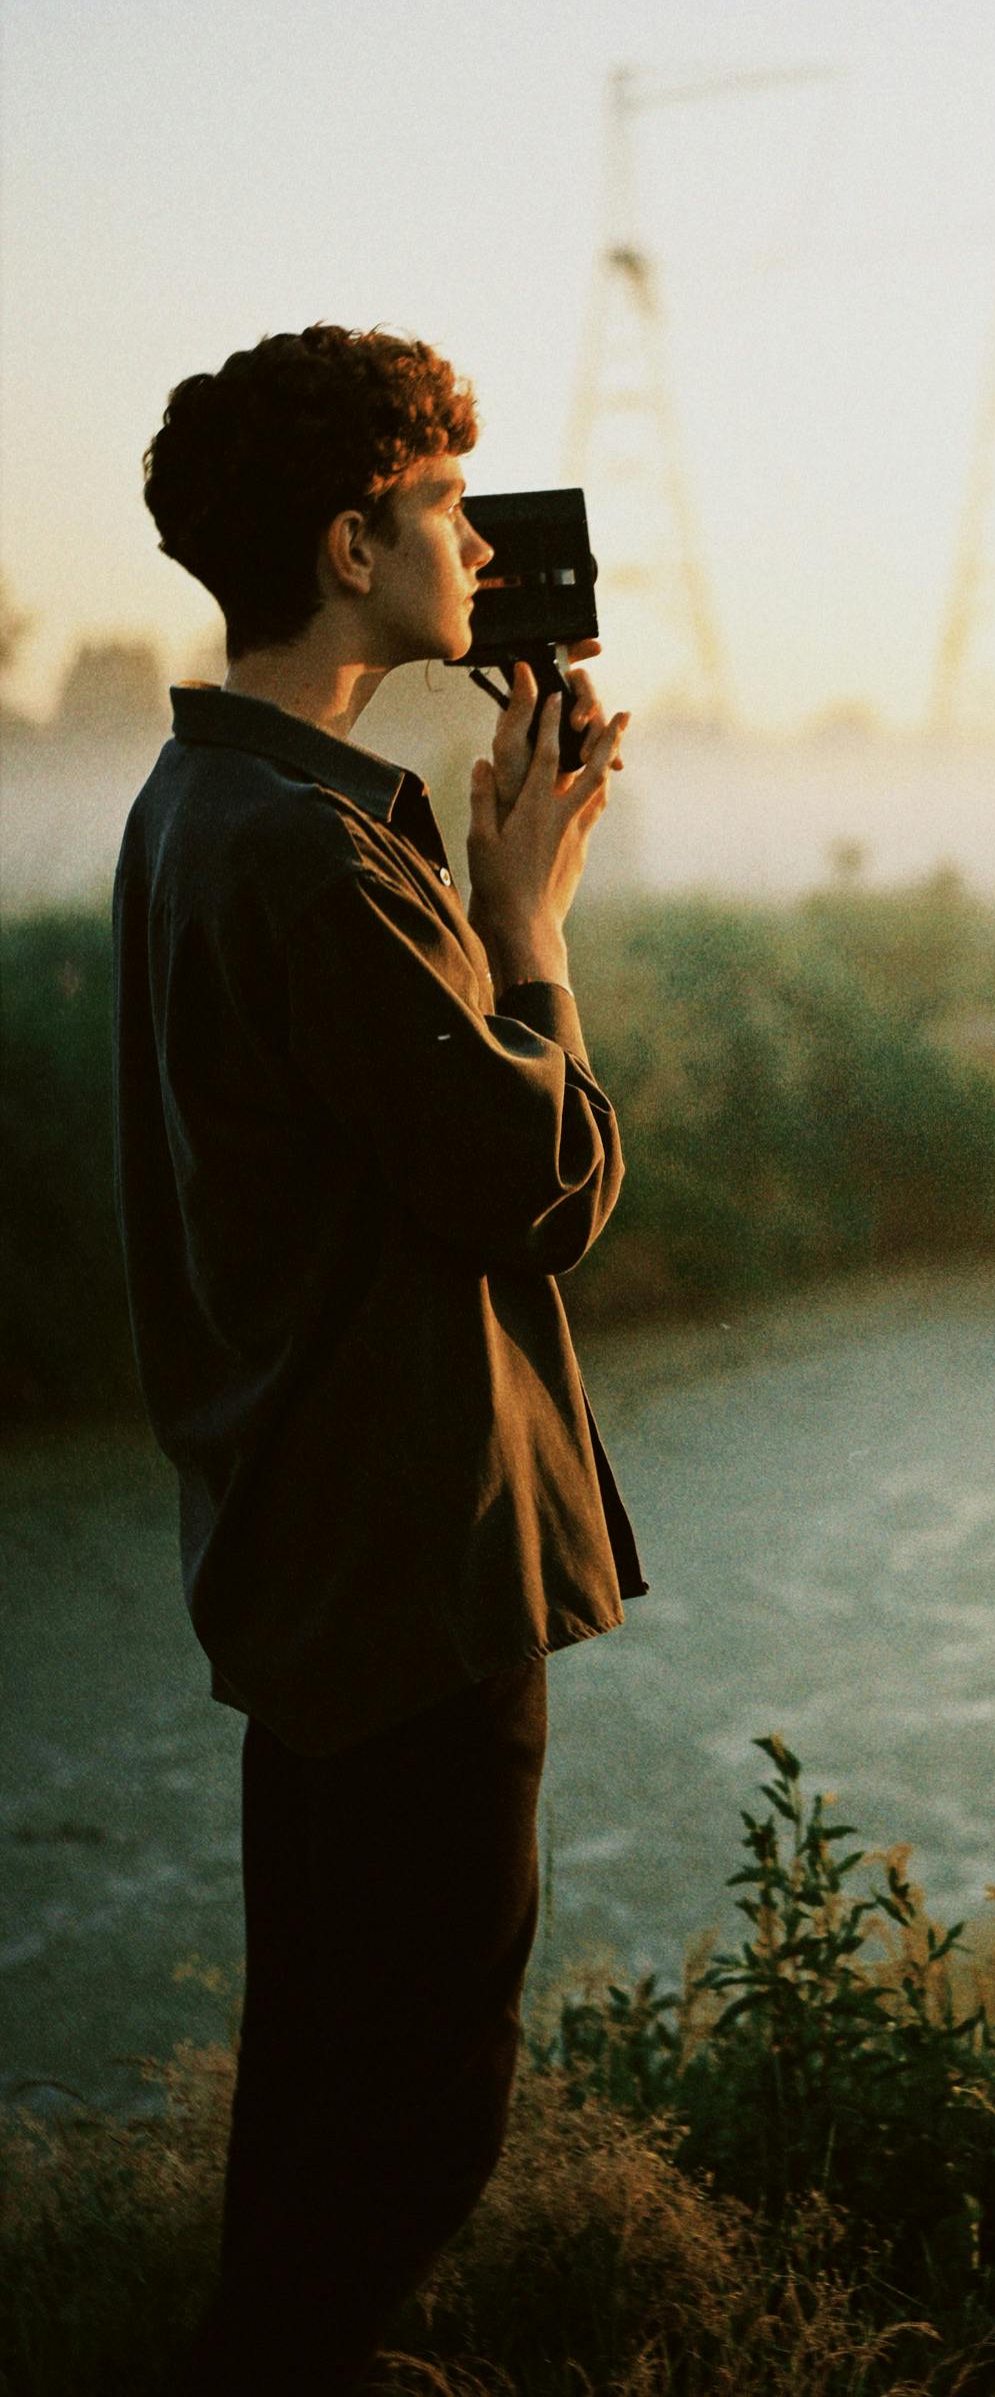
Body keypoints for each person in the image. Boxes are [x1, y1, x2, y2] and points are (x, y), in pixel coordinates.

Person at [112, 322, 647, 2394]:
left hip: (310, 1529)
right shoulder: (305, 848)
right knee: (418, 2075)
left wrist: (481, 864)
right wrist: (533, 921)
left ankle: (290, 2344)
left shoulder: (218, 798)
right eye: (446, 504)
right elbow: (542, 1188)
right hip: (406, 1541)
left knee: (326, 2045)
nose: (485, 549)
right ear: (352, 540)